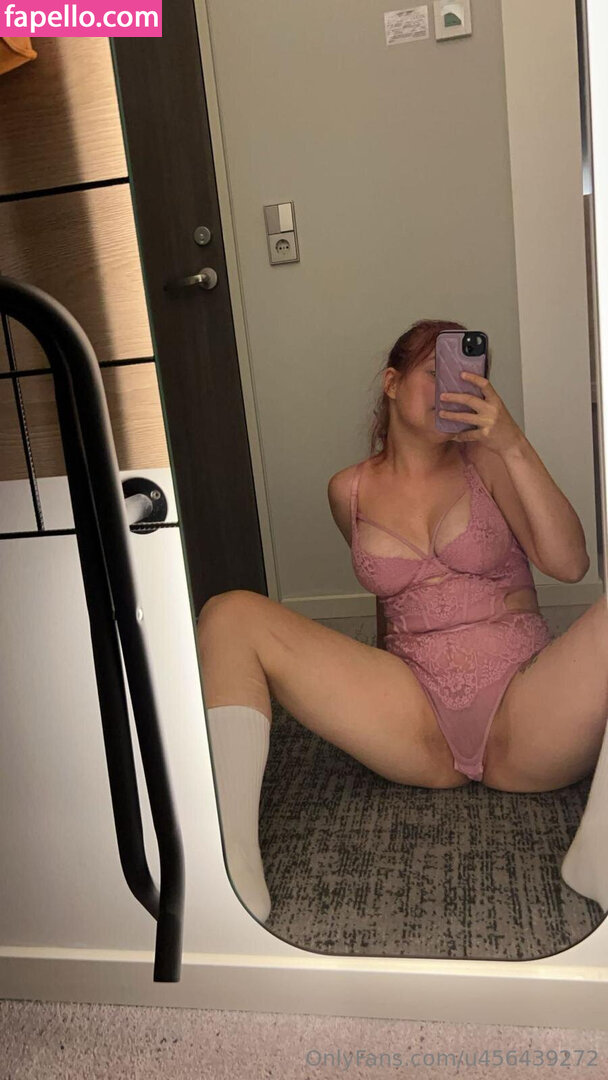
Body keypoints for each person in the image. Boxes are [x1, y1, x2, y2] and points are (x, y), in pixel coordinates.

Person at [197, 318, 608, 924]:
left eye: (469, 374)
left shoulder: (489, 460)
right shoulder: (348, 491)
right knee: (228, 613)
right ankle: (226, 869)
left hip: (524, 712)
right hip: (418, 722)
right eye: (436, 371)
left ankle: (598, 853)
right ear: (391, 383)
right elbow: (390, 605)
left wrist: (513, 443)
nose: (455, 386)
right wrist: (368, 686)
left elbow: (570, 565)